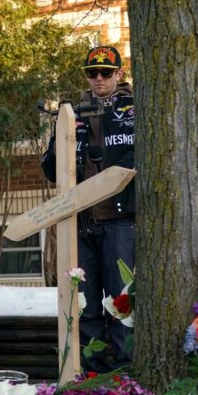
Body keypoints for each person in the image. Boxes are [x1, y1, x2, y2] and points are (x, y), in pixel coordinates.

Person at [41, 45, 135, 372]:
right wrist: (60, 137)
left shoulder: (135, 110)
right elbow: (51, 169)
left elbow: (139, 160)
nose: (98, 78)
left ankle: (126, 373)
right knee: (86, 304)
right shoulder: (72, 114)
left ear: (119, 74)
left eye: (106, 72)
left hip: (121, 221)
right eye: (92, 72)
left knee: (123, 303)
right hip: (80, 225)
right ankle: (92, 372)